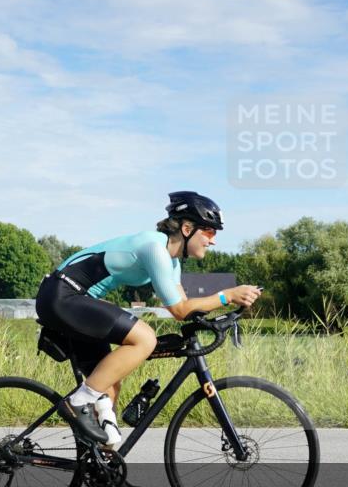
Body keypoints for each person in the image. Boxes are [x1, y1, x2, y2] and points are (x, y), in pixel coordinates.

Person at [35, 191, 262, 452]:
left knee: (108, 383)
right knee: (144, 338)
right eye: (210, 232)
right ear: (187, 228)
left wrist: (219, 317)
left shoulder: (173, 263)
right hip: (62, 295)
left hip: (76, 299)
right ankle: (76, 402)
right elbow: (178, 309)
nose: (213, 241)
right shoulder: (154, 248)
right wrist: (227, 295)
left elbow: (187, 309)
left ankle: (103, 467)